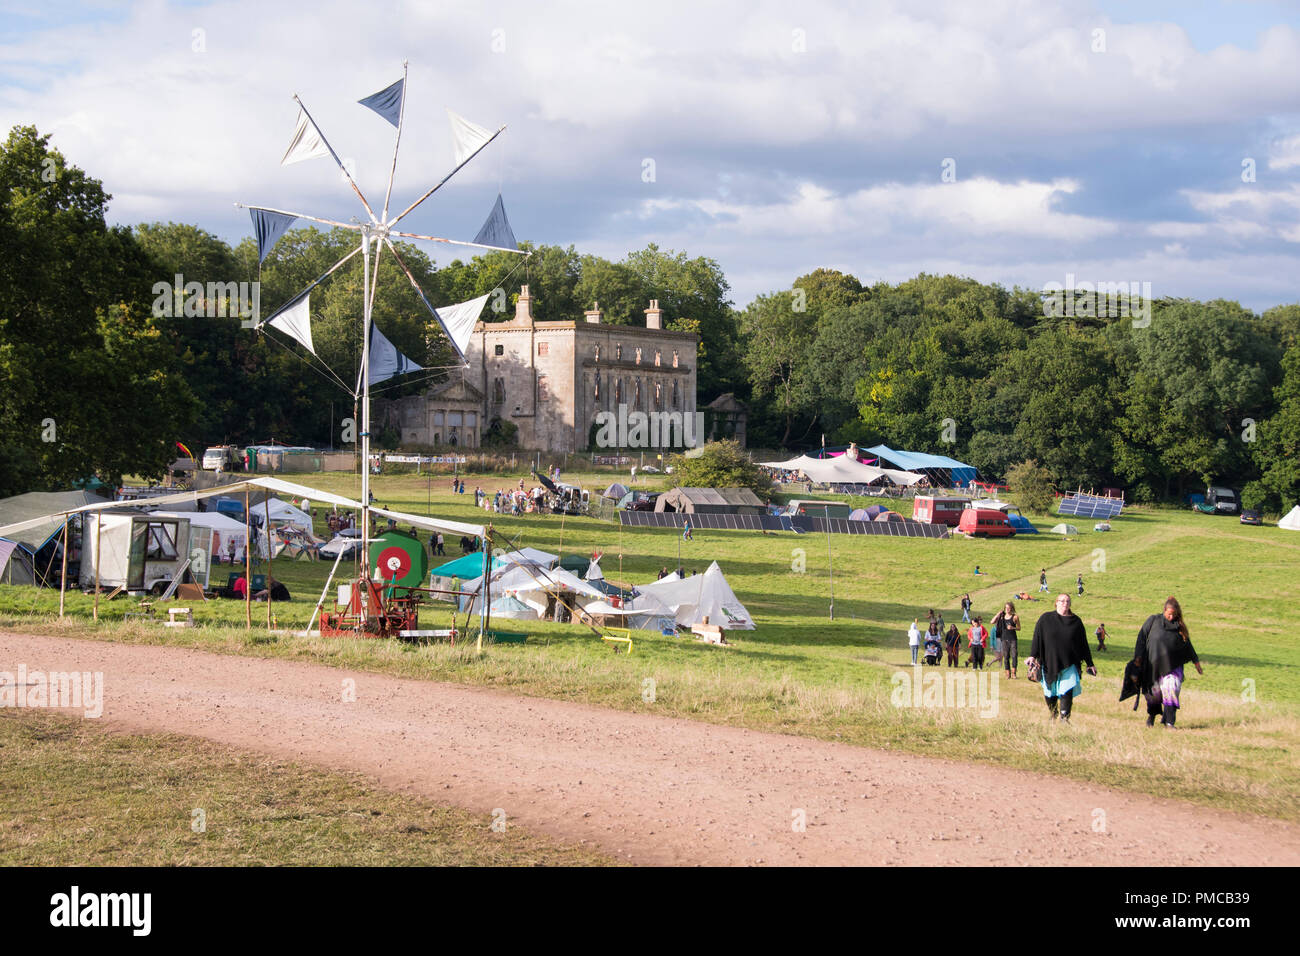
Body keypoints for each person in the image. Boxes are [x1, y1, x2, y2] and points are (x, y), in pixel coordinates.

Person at [1134, 597, 1203, 729]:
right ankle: (1152, 715)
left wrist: (1196, 663)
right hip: (1152, 665)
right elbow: (1141, 638)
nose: (1171, 617)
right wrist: (1138, 659)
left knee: (1171, 689)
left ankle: (1169, 722)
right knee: (1154, 693)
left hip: (1173, 666)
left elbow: (1188, 645)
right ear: (1164, 610)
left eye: (1173, 614)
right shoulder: (1153, 620)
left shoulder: (1180, 627)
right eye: (1168, 614)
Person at [1029, 594, 1097, 722]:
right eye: (1062, 601)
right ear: (1056, 603)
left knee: (1067, 690)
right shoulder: (1045, 619)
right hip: (1049, 662)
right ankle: (1053, 713)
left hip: (1069, 663)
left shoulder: (1076, 621)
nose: (1065, 603)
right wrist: (1033, 656)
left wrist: (1090, 663)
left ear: (1070, 604)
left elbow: (1083, 643)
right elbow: (1037, 638)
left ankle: (1064, 718)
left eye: (1067, 601)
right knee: (1050, 692)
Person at [993, 601, 1021, 678]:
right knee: (1006, 656)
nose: (1007, 609)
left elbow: (1019, 628)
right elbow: (992, 621)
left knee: (1014, 655)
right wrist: (998, 614)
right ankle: (1007, 673)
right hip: (1004, 639)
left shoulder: (1015, 617)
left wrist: (1013, 628)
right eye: (1006, 608)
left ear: (1011, 608)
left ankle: (1014, 673)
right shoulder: (1002, 616)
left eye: (1008, 608)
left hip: (1013, 639)